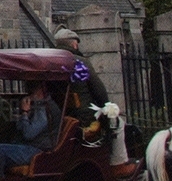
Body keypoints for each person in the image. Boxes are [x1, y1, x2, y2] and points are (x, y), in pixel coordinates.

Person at [53, 26, 131, 169]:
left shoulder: (52, 62)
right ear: (74, 44)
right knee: (118, 123)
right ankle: (118, 164)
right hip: (83, 118)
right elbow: (98, 91)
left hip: (60, 116)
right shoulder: (79, 62)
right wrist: (108, 108)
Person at [0, 81, 61, 177]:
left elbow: (28, 134)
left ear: (43, 89)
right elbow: (19, 127)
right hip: (25, 146)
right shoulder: (37, 105)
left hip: (36, 150)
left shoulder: (46, 108)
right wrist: (23, 114)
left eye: (33, 89)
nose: (29, 91)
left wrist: (25, 113)